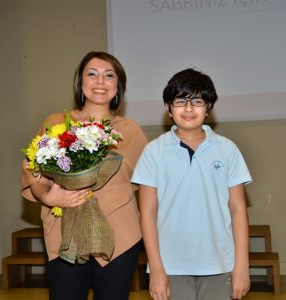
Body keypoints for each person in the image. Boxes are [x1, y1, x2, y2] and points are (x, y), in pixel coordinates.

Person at [21, 51, 148, 300]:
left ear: (118, 86)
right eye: (92, 74)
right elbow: (32, 171)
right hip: (64, 233)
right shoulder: (56, 123)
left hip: (119, 236)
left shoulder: (130, 131)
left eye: (109, 75)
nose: (100, 82)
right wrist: (48, 196)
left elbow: (150, 185)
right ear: (80, 83)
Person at [131, 68, 252, 300]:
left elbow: (238, 210)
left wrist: (241, 266)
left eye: (197, 101)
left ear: (208, 109)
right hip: (170, 266)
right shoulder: (153, 152)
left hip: (220, 263)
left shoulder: (227, 149)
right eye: (180, 101)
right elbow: (147, 212)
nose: (188, 108)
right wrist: (156, 269)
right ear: (168, 108)